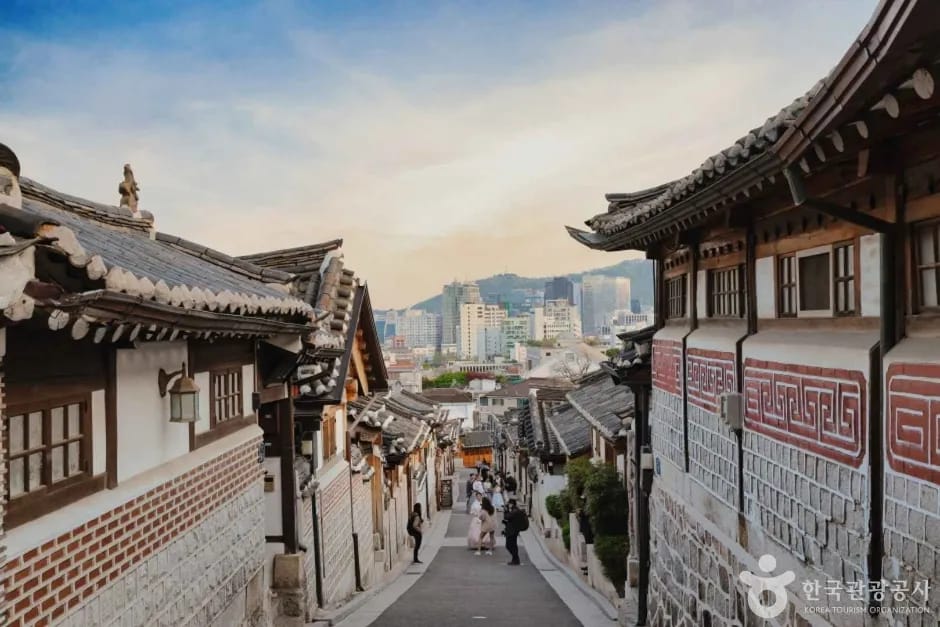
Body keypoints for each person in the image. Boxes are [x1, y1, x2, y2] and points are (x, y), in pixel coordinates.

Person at [503, 498, 528, 565]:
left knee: (509, 545)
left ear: (512, 504)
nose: (508, 505)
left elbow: (506, 517)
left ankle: (516, 559)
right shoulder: (516, 510)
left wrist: (506, 510)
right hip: (514, 531)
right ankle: (515, 559)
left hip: (512, 531)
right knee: (513, 545)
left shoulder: (515, 511)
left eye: (509, 504)